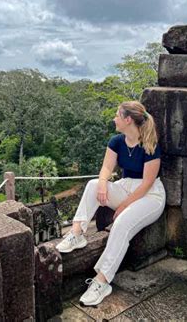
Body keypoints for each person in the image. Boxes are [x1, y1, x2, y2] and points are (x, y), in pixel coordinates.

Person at [55, 100, 166, 306]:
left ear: (128, 119)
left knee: (122, 223)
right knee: (92, 185)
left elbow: (147, 183)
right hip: (125, 187)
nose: (114, 118)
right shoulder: (116, 141)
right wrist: (103, 184)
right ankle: (77, 233)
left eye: (117, 115)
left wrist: (123, 206)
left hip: (150, 196)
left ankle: (102, 281)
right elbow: (106, 168)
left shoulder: (150, 144)